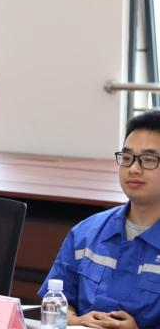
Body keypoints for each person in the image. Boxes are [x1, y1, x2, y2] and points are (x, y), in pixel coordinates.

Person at [38, 110, 160, 328]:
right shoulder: (87, 233)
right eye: (127, 158)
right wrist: (77, 321)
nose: (133, 168)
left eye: (149, 160)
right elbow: (55, 302)